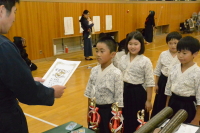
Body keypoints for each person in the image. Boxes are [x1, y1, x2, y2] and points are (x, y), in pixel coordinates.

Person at [0, 1, 66, 132]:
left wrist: (29, 81)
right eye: (14, 12)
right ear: (2, 10)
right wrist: (51, 92)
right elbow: (27, 91)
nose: (14, 18)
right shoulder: (3, 46)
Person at [84, 36, 123, 133]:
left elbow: (118, 99)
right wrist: (89, 111)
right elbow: (90, 94)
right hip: (94, 110)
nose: (98, 54)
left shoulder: (116, 73)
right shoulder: (94, 70)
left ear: (113, 54)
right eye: (97, 51)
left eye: (102, 51)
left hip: (108, 112)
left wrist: (117, 119)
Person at [118, 31, 155, 133]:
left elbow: (150, 82)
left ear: (141, 45)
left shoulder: (145, 61)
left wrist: (148, 100)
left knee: (138, 118)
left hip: (138, 93)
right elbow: (118, 76)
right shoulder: (122, 58)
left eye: (136, 44)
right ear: (126, 45)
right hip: (124, 91)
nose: (132, 47)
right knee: (125, 117)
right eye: (130, 44)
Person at [165, 36, 200, 125]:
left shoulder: (197, 72)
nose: (180, 55)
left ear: (195, 54)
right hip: (173, 103)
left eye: (184, 53)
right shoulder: (174, 68)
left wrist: (197, 119)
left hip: (188, 106)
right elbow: (168, 90)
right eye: (179, 52)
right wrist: (166, 108)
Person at [151, 31, 182, 118]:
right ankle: (158, 121)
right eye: (170, 43)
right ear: (167, 43)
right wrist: (156, 84)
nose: (173, 45)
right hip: (163, 81)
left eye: (175, 43)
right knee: (160, 102)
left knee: (173, 102)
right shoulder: (163, 54)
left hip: (176, 82)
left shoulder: (182, 55)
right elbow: (158, 70)